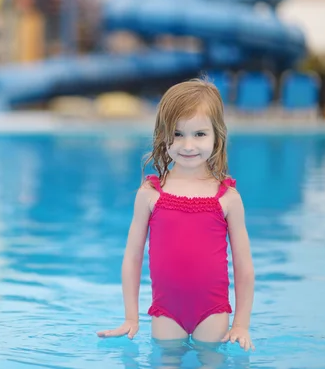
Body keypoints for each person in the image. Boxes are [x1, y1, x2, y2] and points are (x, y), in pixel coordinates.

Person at [97, 78, 255, 352]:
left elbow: (244, 266)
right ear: (162, 136)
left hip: (213, 311)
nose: (188, 145)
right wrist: (131, 317)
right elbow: (132, 258)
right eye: (177, 134)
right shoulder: (150, 194)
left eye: (200, 134)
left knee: (212, 359)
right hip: (166, 312)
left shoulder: (227, 198)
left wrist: (241, 323)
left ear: (217, 135)